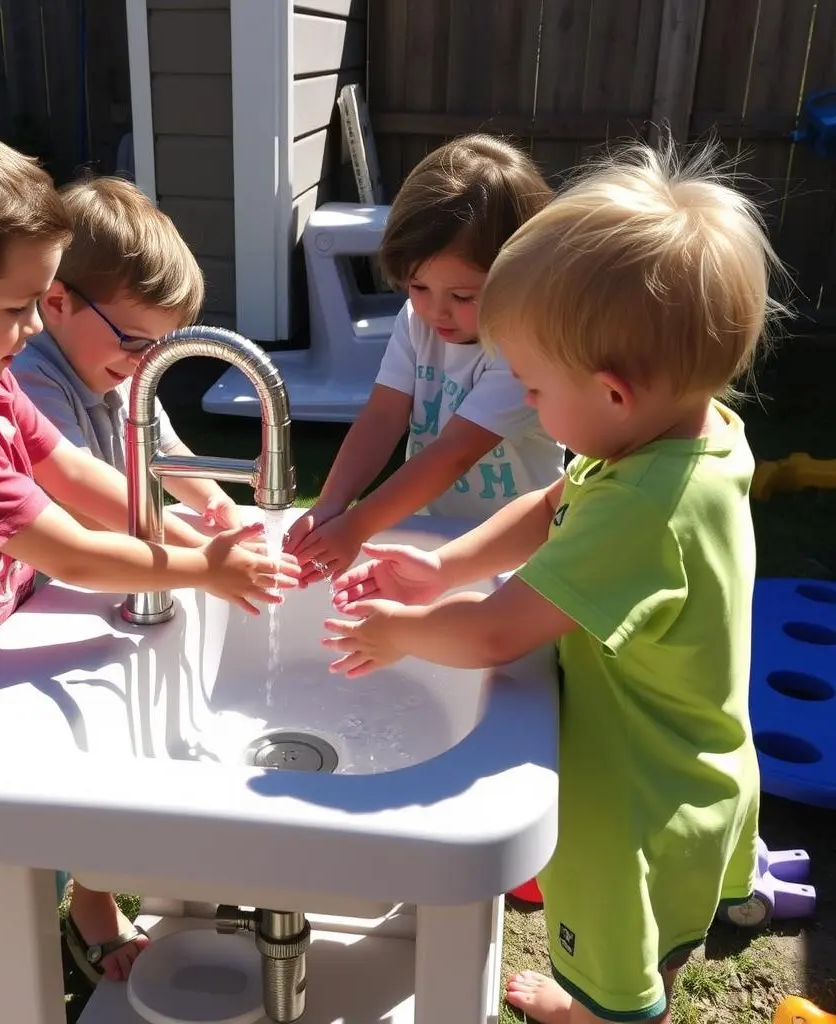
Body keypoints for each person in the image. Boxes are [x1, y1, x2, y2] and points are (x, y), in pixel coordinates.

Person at [0, 104, 298, 1023]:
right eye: (17, 305)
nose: (35, 326)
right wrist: (202, 574)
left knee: (24, 911)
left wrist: (200, 540)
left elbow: (75, 472)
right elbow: (67, 545)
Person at [323, 139, 775, 1024]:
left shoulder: (645, 506)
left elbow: (497, 634)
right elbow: (551, 503)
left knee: (622, 956)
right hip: (686, 757)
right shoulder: (682, 436)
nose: (524, 405)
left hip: (633, 793)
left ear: (611, 393)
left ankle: (606, 1013)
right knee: (658, 937)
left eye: (530, 388)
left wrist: (398, 632)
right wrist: (446, 565)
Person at [285, 134, 564, 583]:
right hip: (441, 526)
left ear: (520, 277)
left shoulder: (526, 349)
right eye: (418, 286)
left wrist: (356, 526)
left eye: (461, 295)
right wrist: (331, 505)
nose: (436, 310)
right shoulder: (417, 319)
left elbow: (454, 453)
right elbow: (382, 415)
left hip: (521, 546)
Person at [13, 175, 240, 530]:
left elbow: (166, 453)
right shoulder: (29, 377)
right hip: (54, 579)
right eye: (134, 339)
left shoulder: (124, 371)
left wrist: (219, 505)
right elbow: (80, 490)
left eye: (160, 346)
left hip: (112, 559)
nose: (146, 360)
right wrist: (196, 552)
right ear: (57, 302)